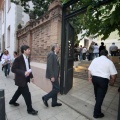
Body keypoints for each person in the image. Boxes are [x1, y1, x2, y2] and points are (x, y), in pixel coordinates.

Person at [9, 45, 38, 115]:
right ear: (24, 51)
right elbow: (13, 69)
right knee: (27, 94)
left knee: (19, 91)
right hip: (21, 80)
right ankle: (30, 109)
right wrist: (23, 72)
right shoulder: (18, 59)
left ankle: (12, 101)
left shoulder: (27, 58)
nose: (29, 50)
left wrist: (31, 76)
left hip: (25, 79)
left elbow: (28, 68)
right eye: (28, 49)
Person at [88, 49, 117, 118]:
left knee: (97, 94)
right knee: (100, 97)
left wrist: (89, 78)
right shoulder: (109, 62)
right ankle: (96, 114)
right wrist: (113, 81)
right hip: (103, 80)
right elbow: (113, 75)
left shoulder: (95, 60)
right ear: (107, 55)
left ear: (100, 54)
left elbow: (89, 70)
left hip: (95, 79)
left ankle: (98, 106)